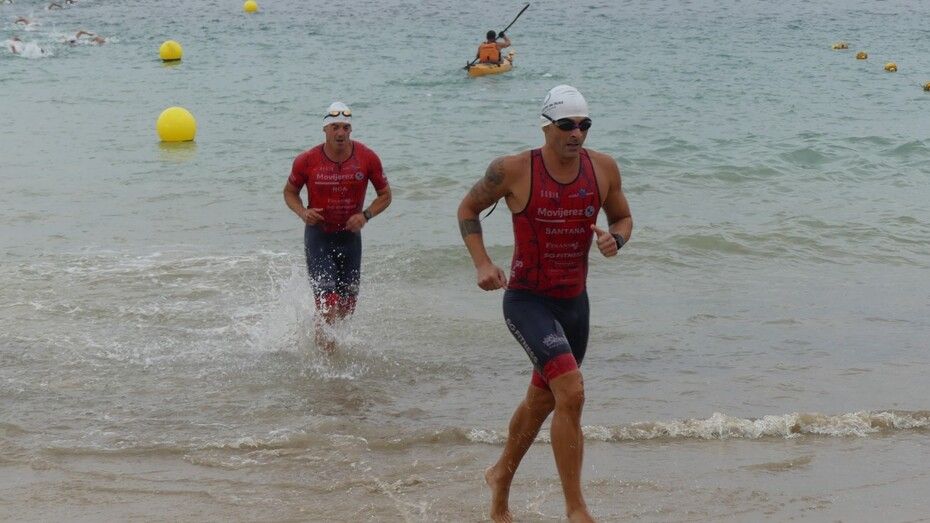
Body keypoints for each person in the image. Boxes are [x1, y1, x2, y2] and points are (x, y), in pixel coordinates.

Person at [457, 84, 633, 522]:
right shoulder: (513, 169)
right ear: (546, 126)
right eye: (567, 125)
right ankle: (577, 510)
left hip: (575, 306)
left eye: (584, 125)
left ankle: (500, 477)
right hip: (527, 301)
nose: (577, 134)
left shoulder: (604, 168)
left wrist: (616, 240)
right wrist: (482, 263)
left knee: (544, 402)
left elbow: (623, 218)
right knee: (571, 391)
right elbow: (467, 209)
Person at [283, 101, 391, 351]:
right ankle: (326, 361)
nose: (340, 133)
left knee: (346, 308)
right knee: (328, 304)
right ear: (325, 130)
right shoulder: (307, 160)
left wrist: (366, 215)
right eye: (335, 127)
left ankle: (319, 342)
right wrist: (303, 212)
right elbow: (289, 192)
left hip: (350, 239)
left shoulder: (367, 158)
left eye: (345, 127)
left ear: (350, 130)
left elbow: (385, 195)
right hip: (319, 237)